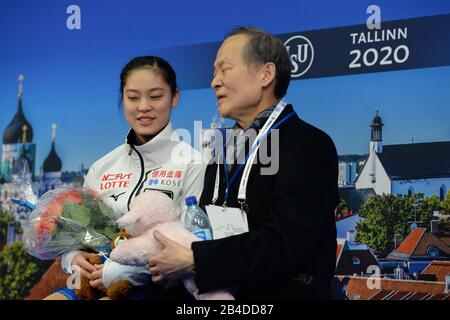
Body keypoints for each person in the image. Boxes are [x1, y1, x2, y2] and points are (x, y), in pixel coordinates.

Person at [148, 27, 339, 300]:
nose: (214, 82)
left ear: (266, 74)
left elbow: (286, 244)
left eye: (225, 69)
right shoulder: (222, 148)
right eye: (214, 73)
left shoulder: (308, 144)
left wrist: (195, 261)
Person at [45, 56, 206, 300]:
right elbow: (78, 235)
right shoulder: (102, 166)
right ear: (122, 99)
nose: (143, 106)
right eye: (133, 97)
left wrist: (121, 272)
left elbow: (187, 245)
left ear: (175, 97)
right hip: (95, 283)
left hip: (158, 289)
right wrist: (72, 259)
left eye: (155, 96)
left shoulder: (193, 164)